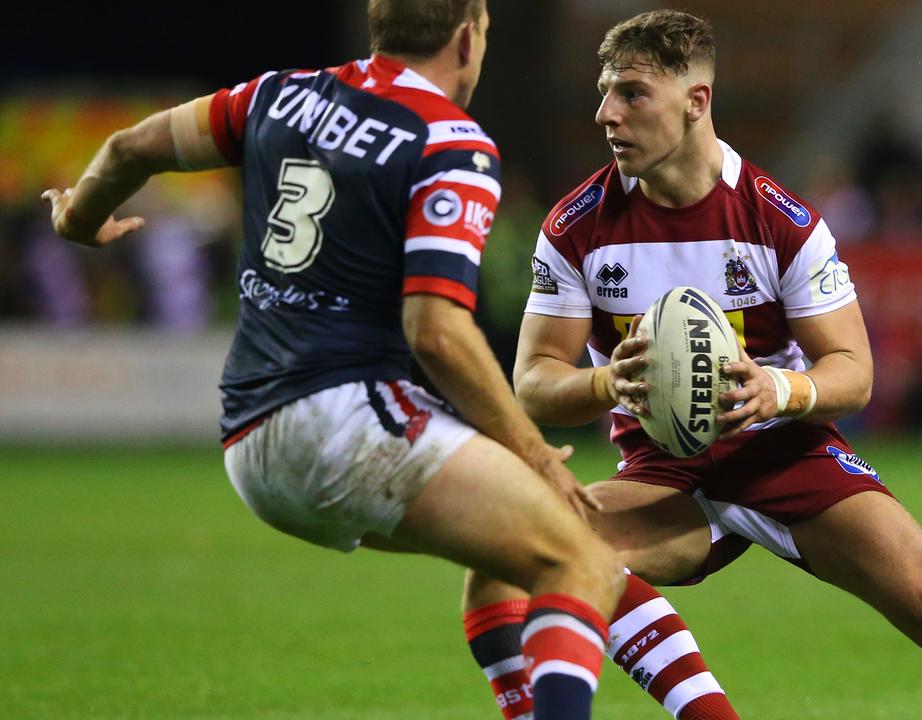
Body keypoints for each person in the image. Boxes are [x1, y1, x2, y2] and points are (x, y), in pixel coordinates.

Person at [461, 10, 922, 720]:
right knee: (553, 548)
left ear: (696, 102)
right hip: (666, 473)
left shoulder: (777, 220)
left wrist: (778, 390)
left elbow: (854, 371)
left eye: (632, 94)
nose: (607, 113)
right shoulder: (577, 228)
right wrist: (605, 382)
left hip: (786, 454)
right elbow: (534, 382)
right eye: (605, 92)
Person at [40, 2, 625, 718]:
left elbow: (132, 147)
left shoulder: (275, 96)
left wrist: (78, 217)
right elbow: (436, 331)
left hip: (250, 440)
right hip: (342, 419)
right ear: (468, 36)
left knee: (511, 555)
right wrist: (535, 452)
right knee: (582, 559)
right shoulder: (450, 141)